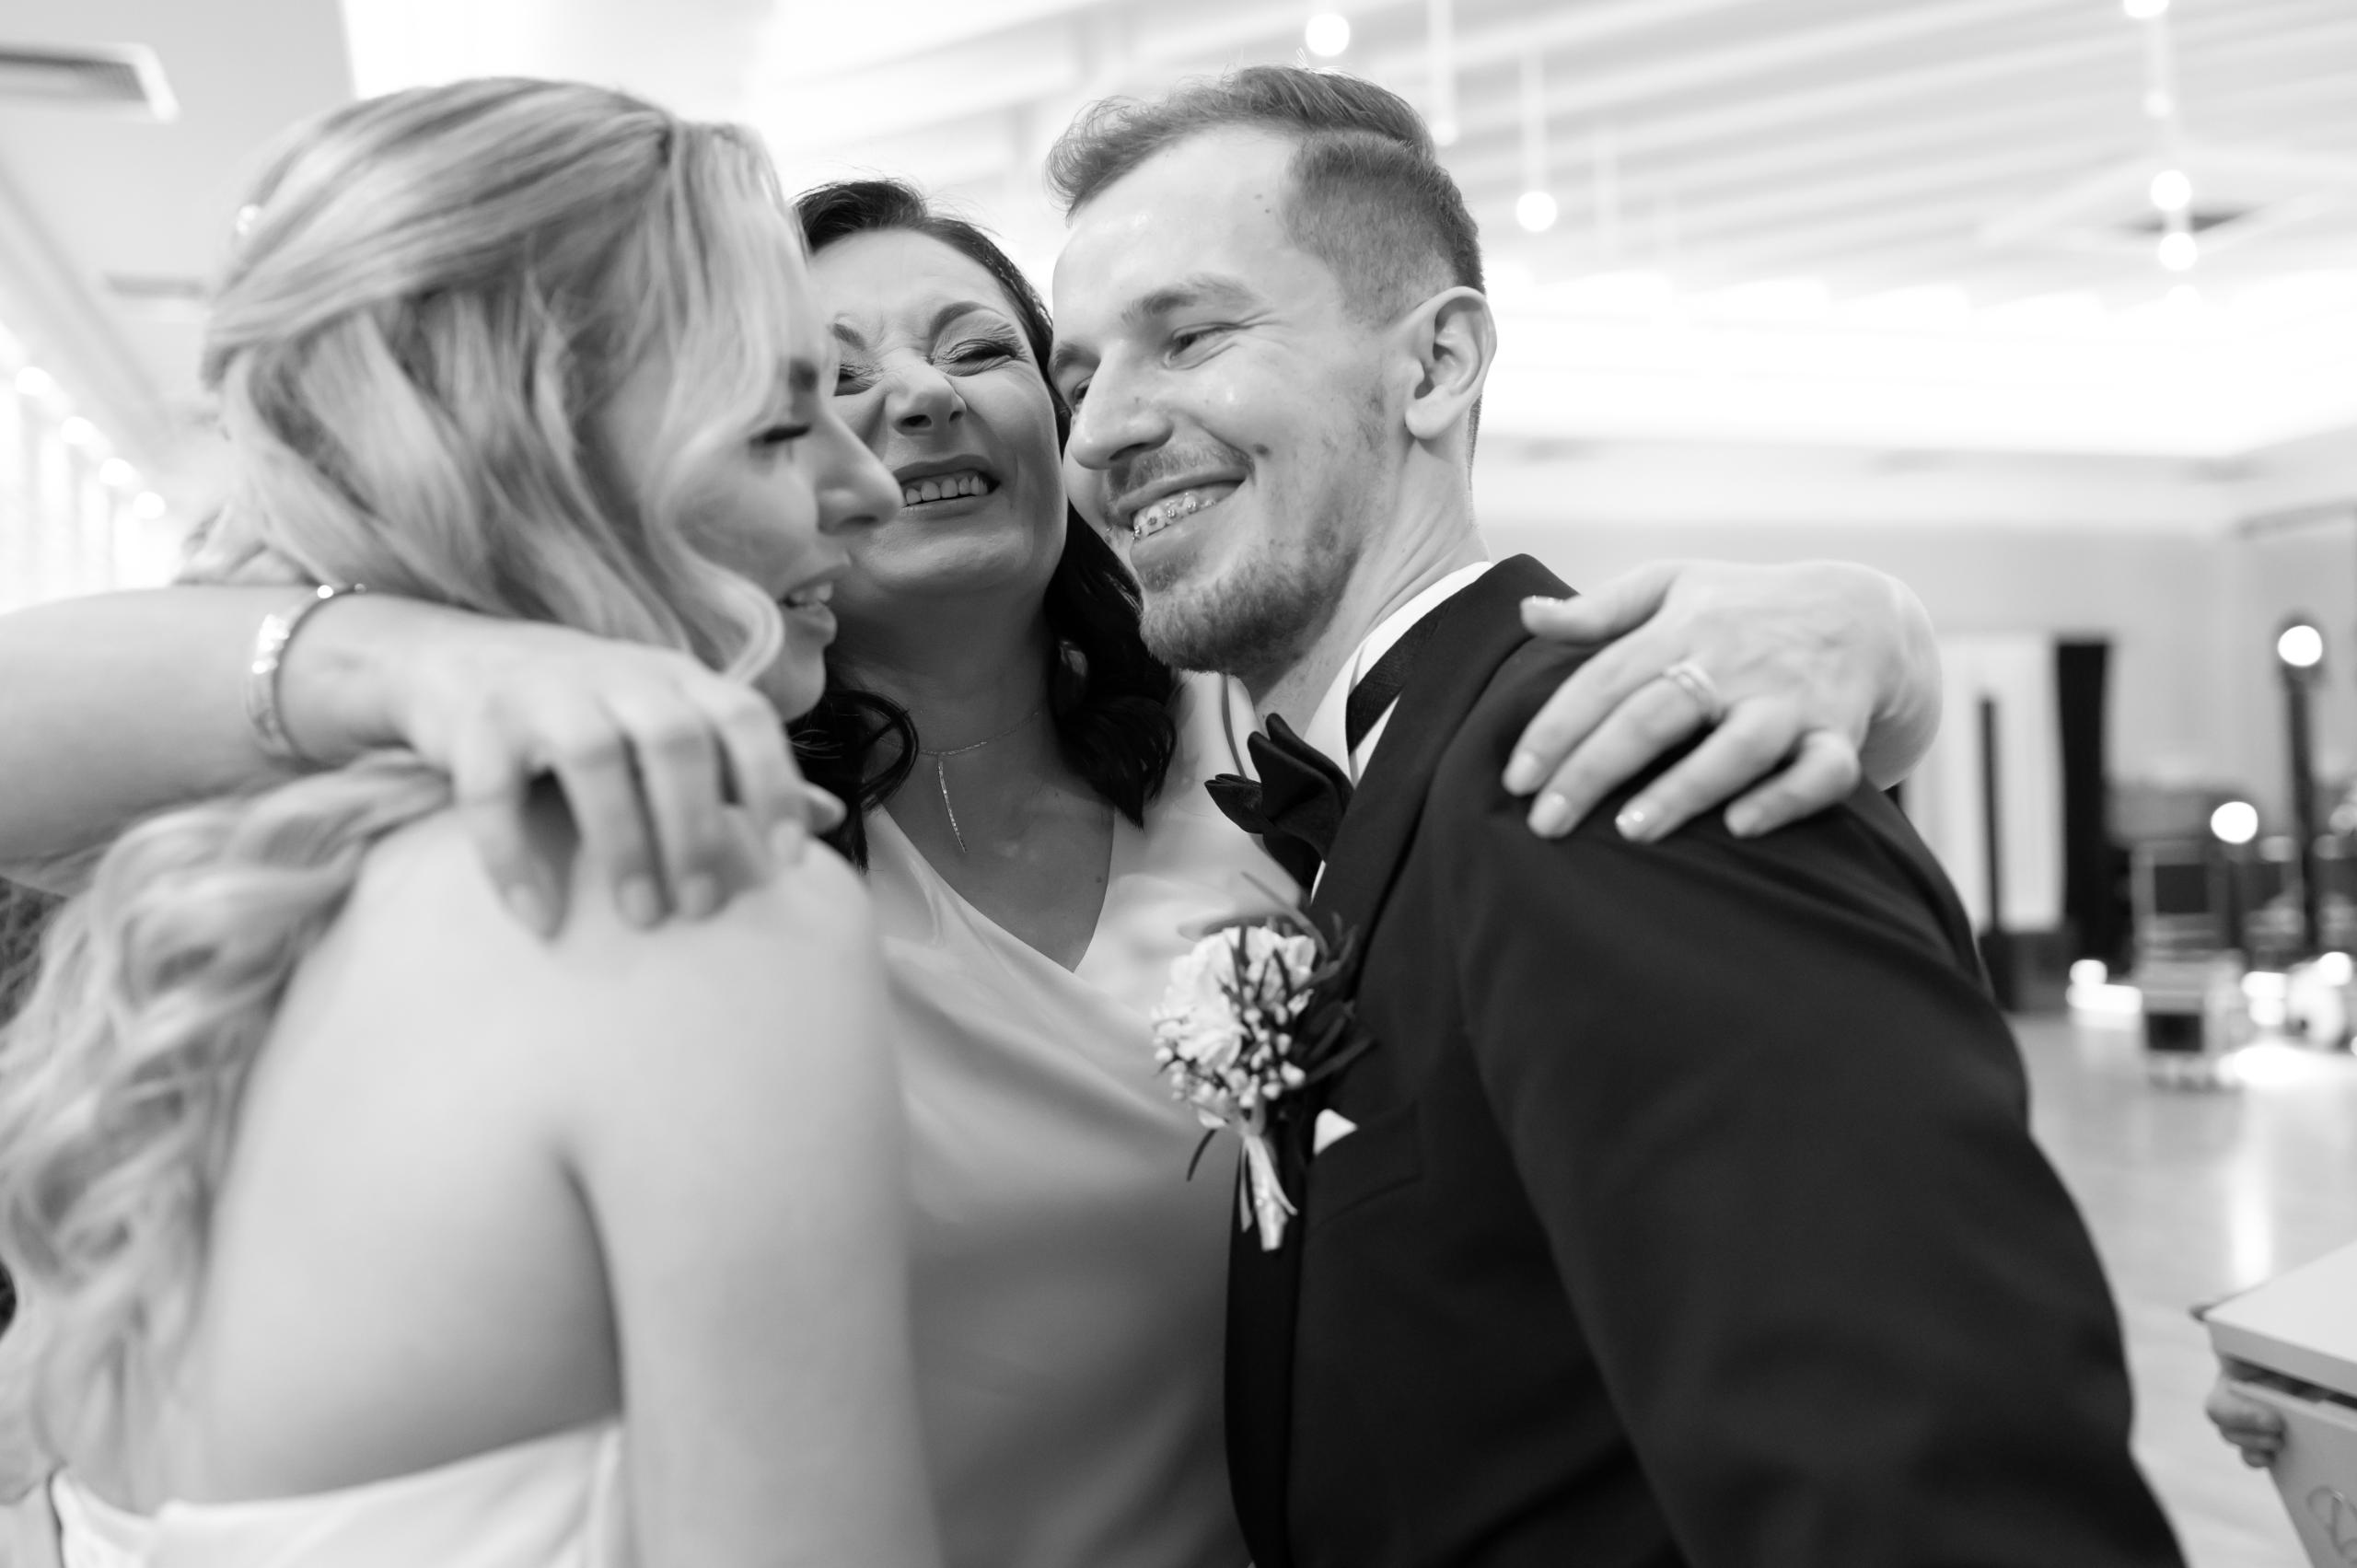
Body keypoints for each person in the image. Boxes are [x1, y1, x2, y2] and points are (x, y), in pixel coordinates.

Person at [0, 183, 1945, 1568]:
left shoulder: (1277, 815)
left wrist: (1882, 639)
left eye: (979, 351)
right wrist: (398, 655)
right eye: (813, 388)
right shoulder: (662, 843)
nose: (903, 412)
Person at [1044, 65, 2187, 1568]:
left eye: (1191, 335)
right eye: (1076, 379)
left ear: (1437, 366)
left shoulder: (1614, 765)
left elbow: (1930, 1500)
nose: (1101, 432)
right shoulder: (1400, 794)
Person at [0, 79, 940, 1567]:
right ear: (537, 463)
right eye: (776, 428)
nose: (870, 484)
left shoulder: (175, 940)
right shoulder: (692, 910)